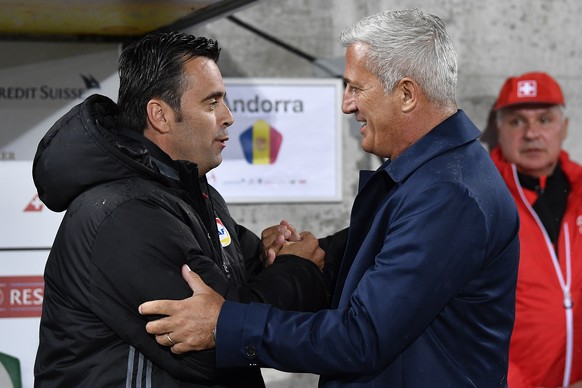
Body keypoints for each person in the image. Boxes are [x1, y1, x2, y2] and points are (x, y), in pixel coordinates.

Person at [139, 9, 521, 387]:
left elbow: (361, 336)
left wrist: (225, 325)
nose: (346, 104)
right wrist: (310, 254)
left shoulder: (450, 195)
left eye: (356, 87)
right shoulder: (430, 177)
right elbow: (383, 258)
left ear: (406, 94)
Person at [32, 31, 330, 387]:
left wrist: (276, 254)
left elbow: (246, 282)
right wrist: (298, 269)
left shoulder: (194, 194)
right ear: (160, 115)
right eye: (211, 102)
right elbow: (213, 351)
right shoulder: (125, 214)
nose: (229, 116)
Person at [488, 71, 582, 388]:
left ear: (564, 127)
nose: (531, 133)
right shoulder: (480, 198)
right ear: (498, 129)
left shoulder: (581, 190)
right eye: (517, 121)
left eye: (544, 120)